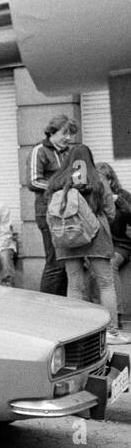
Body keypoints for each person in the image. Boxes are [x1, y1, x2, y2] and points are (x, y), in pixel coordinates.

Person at [46, 145, 130, 344]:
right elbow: (110, 212)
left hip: (67, 236)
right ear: (90, 159)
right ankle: (112, 333)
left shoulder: (57, 181)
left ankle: (76, 333)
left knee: (74, 285)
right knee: (106, 283)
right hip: (97, 234)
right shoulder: (98, 179)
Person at [28, 116, 79, 296]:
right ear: (52, 132)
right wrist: (62, 186)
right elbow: (33, 182)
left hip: (67, 212)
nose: (68, 138)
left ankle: (61, 306)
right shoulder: (39, 150)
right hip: (47, 213)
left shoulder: (69, 152)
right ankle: (46, 308)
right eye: (65, 133)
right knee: (55, 262)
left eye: (70, 134)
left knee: (66, 262)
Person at [99, 163, 131, 324]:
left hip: (120, 245)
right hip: (99, 245)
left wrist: (119, 201)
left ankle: (115, 316)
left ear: (111, 181)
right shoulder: (94, 198)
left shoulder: (123, 195)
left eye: (104, 181)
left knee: (110, 265)